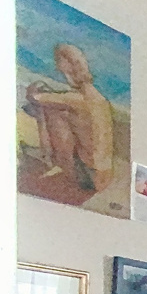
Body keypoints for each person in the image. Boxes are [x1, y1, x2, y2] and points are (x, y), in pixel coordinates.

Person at [25, 43, 115, 194]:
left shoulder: (76, 100)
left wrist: (35, 89)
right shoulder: (100, 99)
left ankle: (49, 157)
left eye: (62, 71)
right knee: (66, 114)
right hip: (105, 175)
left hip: (89, 177)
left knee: (52, 112)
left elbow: (35, 98)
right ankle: (49, 156)